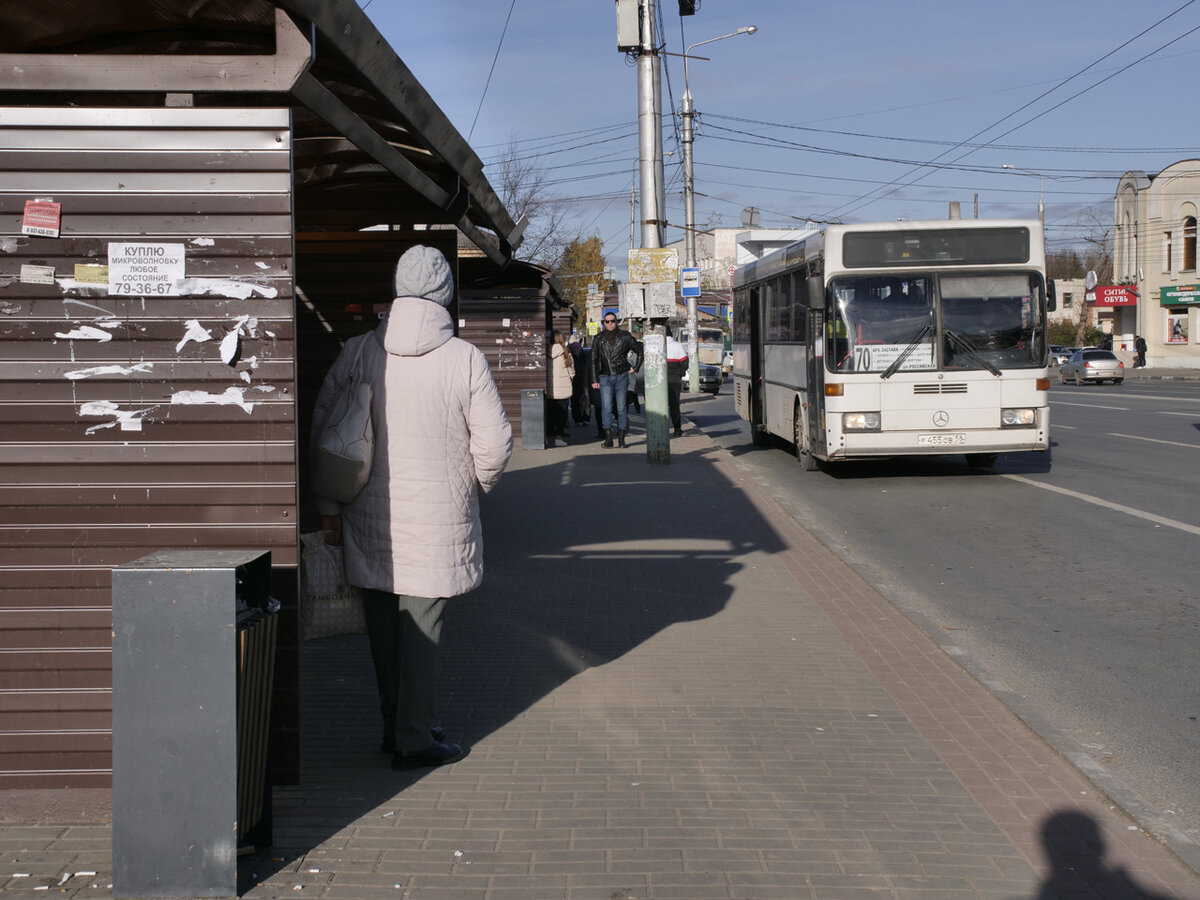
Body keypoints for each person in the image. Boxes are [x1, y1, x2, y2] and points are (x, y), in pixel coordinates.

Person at [310, 245, 513, 770]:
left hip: (368, 515)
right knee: (422, 630)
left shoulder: (358, 352)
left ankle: (396, 723)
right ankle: (415, 739)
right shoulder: (464, 357)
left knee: (383, 628)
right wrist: (476, 486)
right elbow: (492, 444)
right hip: (437, 520)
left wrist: (329, 505)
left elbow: (326, 437)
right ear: (445, 294)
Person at [589, 313, 642, 448]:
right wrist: (594, 379)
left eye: (613, 321)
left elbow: (640, 350)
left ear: (617, 322)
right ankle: (608, 439)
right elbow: (593, 360)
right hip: (604, 377)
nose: (610, 323)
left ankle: (622, 439)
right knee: (606, 408)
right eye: (607, 321)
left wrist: (635, 367)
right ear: (604, 323)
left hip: (621, 376)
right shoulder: (598, 338)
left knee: (621, 408)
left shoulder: (625, 336)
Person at [547, 331, 574, 447]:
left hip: (549, 388)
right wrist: (569, 380)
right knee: (561, 415)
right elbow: (572, 371)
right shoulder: (566, 352)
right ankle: (558, 438)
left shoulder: (545, 351)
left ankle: (548, 438)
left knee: (549, 415)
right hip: (563, 389)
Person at [665, 334, 688, 437]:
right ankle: (677, 429)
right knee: (674, 406)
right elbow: (685, 362)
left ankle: (660, 429)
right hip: (674, 380)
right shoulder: (678, 346)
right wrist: (680, 373)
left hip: (658, 382)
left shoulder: (656, 345)